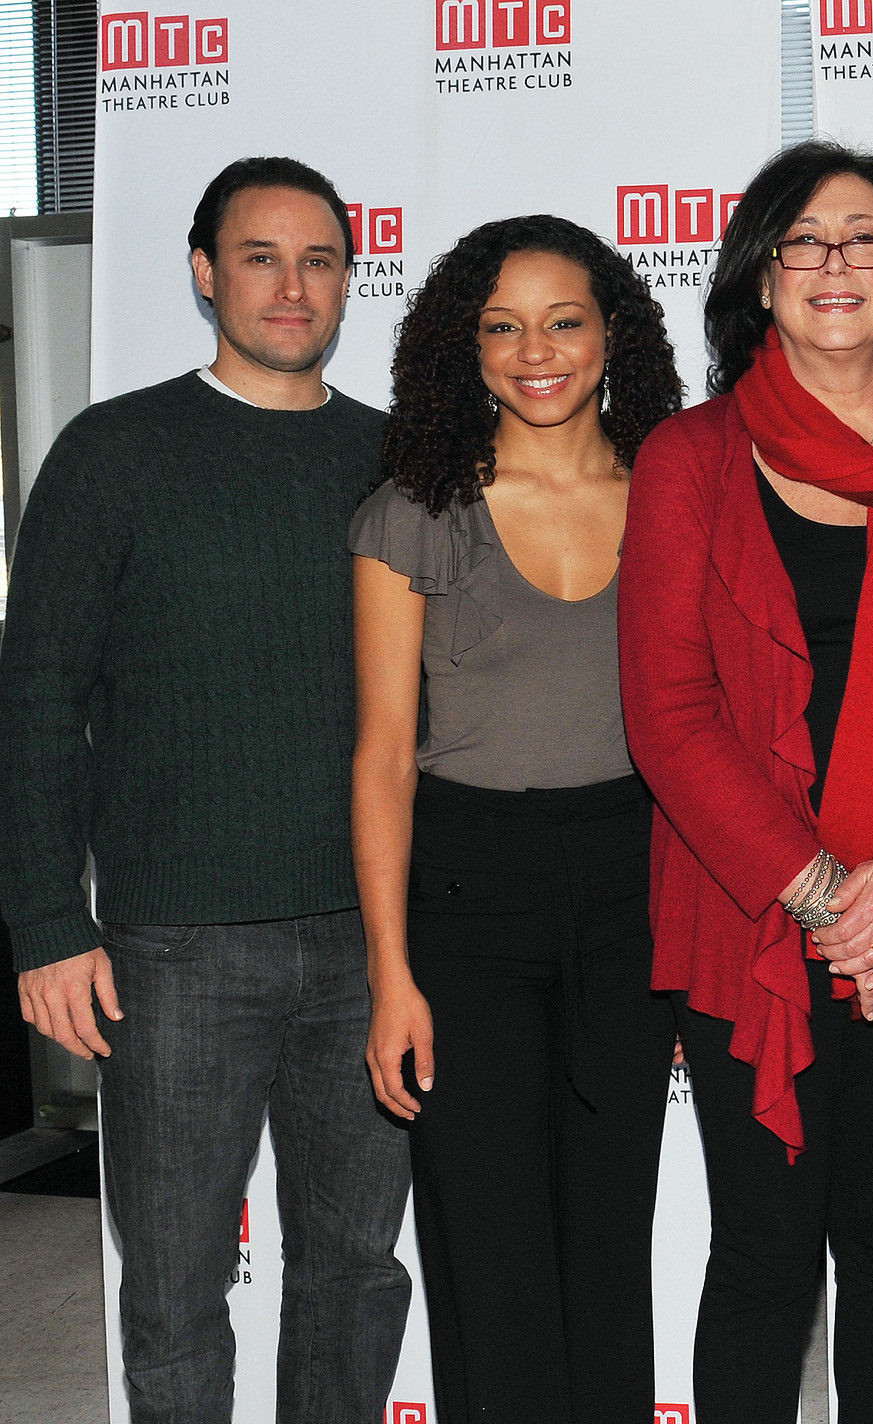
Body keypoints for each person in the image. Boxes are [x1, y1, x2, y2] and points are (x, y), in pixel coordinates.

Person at [0, 157, 412, 1422]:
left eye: (320, 259)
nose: (292, 286)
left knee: (352, 1275)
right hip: (175, 951)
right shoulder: (113, 451)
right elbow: (35, 696)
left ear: (350, 279)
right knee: (175, 1294)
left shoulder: (394, 460)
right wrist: (45, 923)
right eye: (259, 257)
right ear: (202, 273)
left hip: (369, 943)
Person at [618, 139, 873, 1424]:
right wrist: (826, 888)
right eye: (803, 240)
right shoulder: (690, 456)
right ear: (761, 273)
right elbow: (667, 714)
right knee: (764, 1259)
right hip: (753, 920)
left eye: (865, 240)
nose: (834, 264)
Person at [349, 215, 685, 1422]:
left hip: (631, 889)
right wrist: (390, 972)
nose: (533, 350)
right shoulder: (414, 508)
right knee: (486, 1246)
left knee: (610, 1235)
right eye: (500, 325)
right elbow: (385, 755)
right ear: (463, 347)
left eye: (562, 319)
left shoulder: (675, 491)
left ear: (613, 336)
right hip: (465, 892)